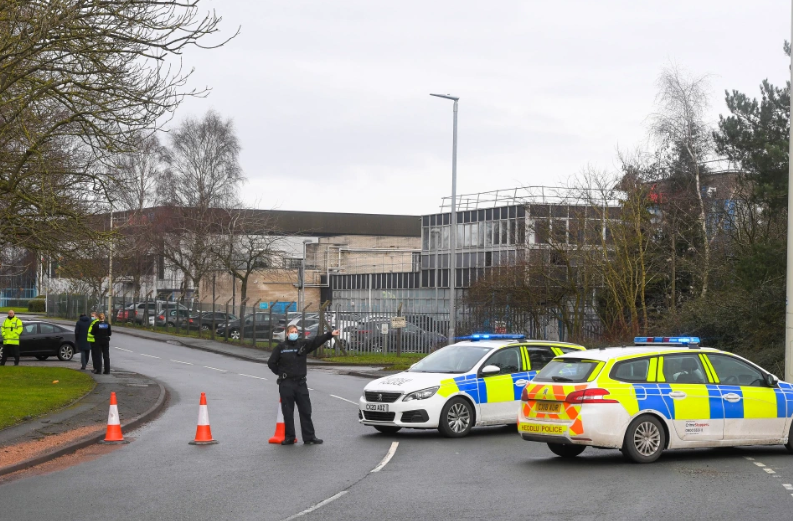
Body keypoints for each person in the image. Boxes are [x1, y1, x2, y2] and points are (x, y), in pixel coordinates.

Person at [267, 324, 339, 445]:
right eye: (292, 332)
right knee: (288, 411)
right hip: (286, 383)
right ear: (287, 334)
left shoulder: (302, 346)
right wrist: (281, 373)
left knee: (305, 410)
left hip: (300, 383)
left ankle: (309, 437)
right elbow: (271, 363)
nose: (294, 333)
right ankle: (289, 437)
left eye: (296, 331)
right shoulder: (281, 347)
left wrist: (329, 335)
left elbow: (316, 341)